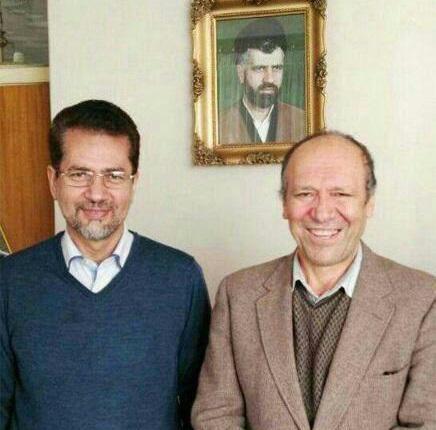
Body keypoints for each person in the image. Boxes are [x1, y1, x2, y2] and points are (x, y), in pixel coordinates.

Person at [192, 131, 436, 429]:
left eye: (341, 194)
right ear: (284, 204)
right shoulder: (237, 294)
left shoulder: (423, 299)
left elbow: (427, 422)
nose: (321, 213)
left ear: (369, 203)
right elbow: (215, 415)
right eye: (304, 194)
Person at [0, 99, 211, 430]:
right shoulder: (10, 281)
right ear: (53, 181)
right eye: (79, 174)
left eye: (114, 175)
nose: (96, 194)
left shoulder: (181, 278)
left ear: (133, 182)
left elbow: (202, 406)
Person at [219, 18, 306, 145]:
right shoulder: (219, 126)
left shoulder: (302, 121)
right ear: (240, 73)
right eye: (260, 68)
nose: (269, 79)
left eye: (276, 68)